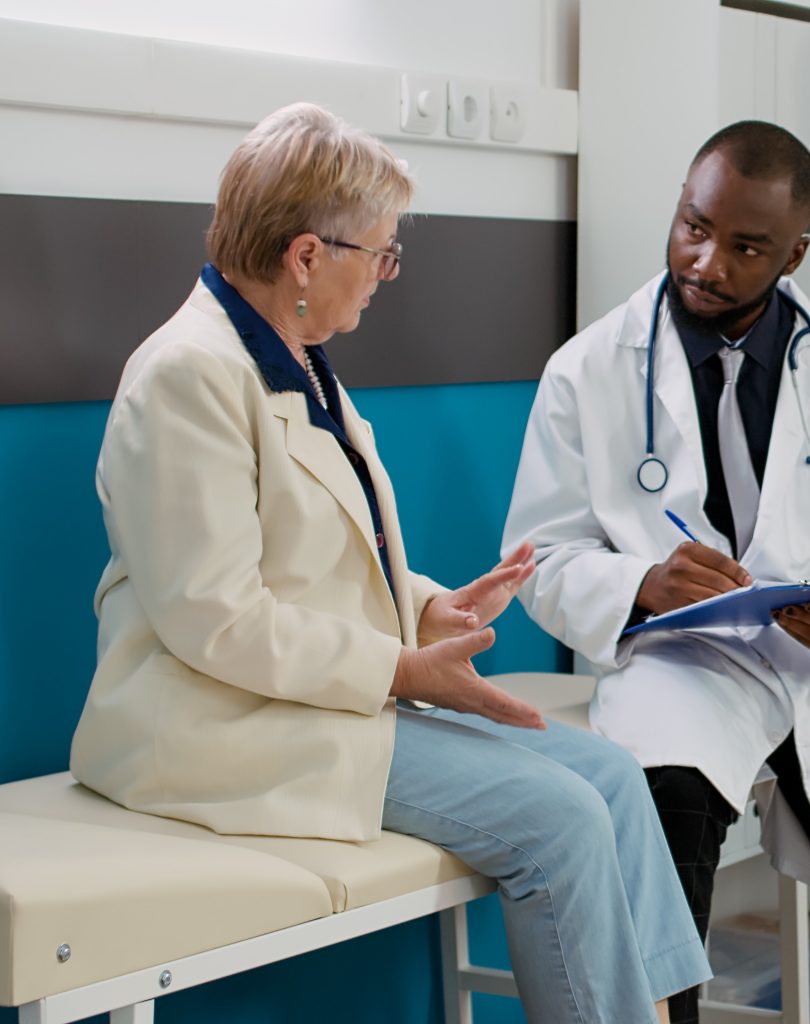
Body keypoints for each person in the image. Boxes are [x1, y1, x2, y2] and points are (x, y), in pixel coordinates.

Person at [69, 102, 710, 1023]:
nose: (385, 274)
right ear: (305, 256)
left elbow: (313, 557)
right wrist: (405, 669)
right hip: (217, 724)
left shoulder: (294, 357)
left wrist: (427, 611)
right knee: (561, 821)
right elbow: (216, 618)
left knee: (610, 775)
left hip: (311, 700)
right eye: (379, 253)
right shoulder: (187, 376)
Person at [502, 120, 810, 1024]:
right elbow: (542, 560)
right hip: (684, 665)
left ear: (794, 253)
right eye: (693, 225)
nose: (707, 261)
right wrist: (641, 583)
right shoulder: (587, 371)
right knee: (665, 818)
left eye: (746, 246)